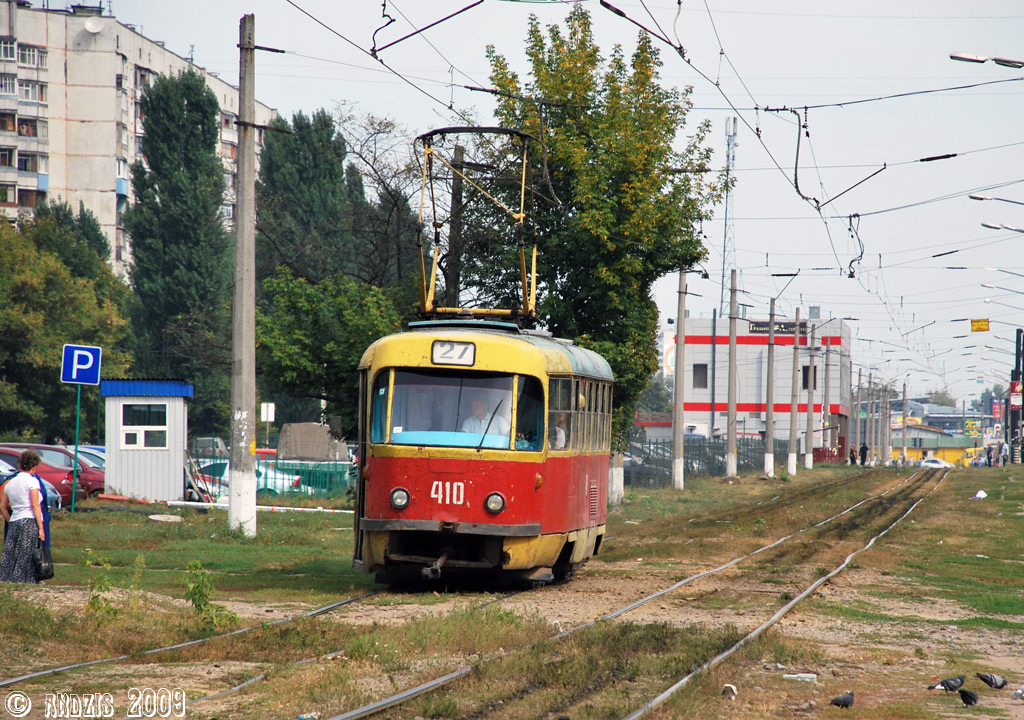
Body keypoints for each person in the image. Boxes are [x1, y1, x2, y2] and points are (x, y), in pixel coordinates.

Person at [0, 450, 47, 584]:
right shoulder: (32, 481)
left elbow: (2, 506)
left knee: (10, 552)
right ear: (35, 467)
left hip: (15, 519)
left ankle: (4, 578)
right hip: (29, 520)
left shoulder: (10, 483)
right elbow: (35, 505)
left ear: (20, 464)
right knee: (26, 552)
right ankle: (23, 580)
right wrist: (41, 528)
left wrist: (10, 520)